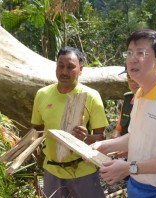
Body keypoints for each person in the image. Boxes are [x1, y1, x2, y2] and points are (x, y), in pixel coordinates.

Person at [92, 29, 156, 198]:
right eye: (130, 53)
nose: (132, 59)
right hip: (137, 186)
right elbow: (136, 136)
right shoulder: (140, 94)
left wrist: (129, 167)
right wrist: (106, 146)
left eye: (141, 53)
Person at [31, 46, 109, 198]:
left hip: (83, 170)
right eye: (61, 66)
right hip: (52, 171)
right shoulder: (42, 94)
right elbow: (37, 131)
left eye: (70, 67)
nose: (64, 72)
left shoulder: (91, 96)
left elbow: (102, 137)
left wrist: (85, 138)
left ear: (81, 69)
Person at [111, 66, 140, 139]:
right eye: (129, 77)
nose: (132, 82)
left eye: (136, 77)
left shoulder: (153, 102)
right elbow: (118, 129)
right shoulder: (128, 99)